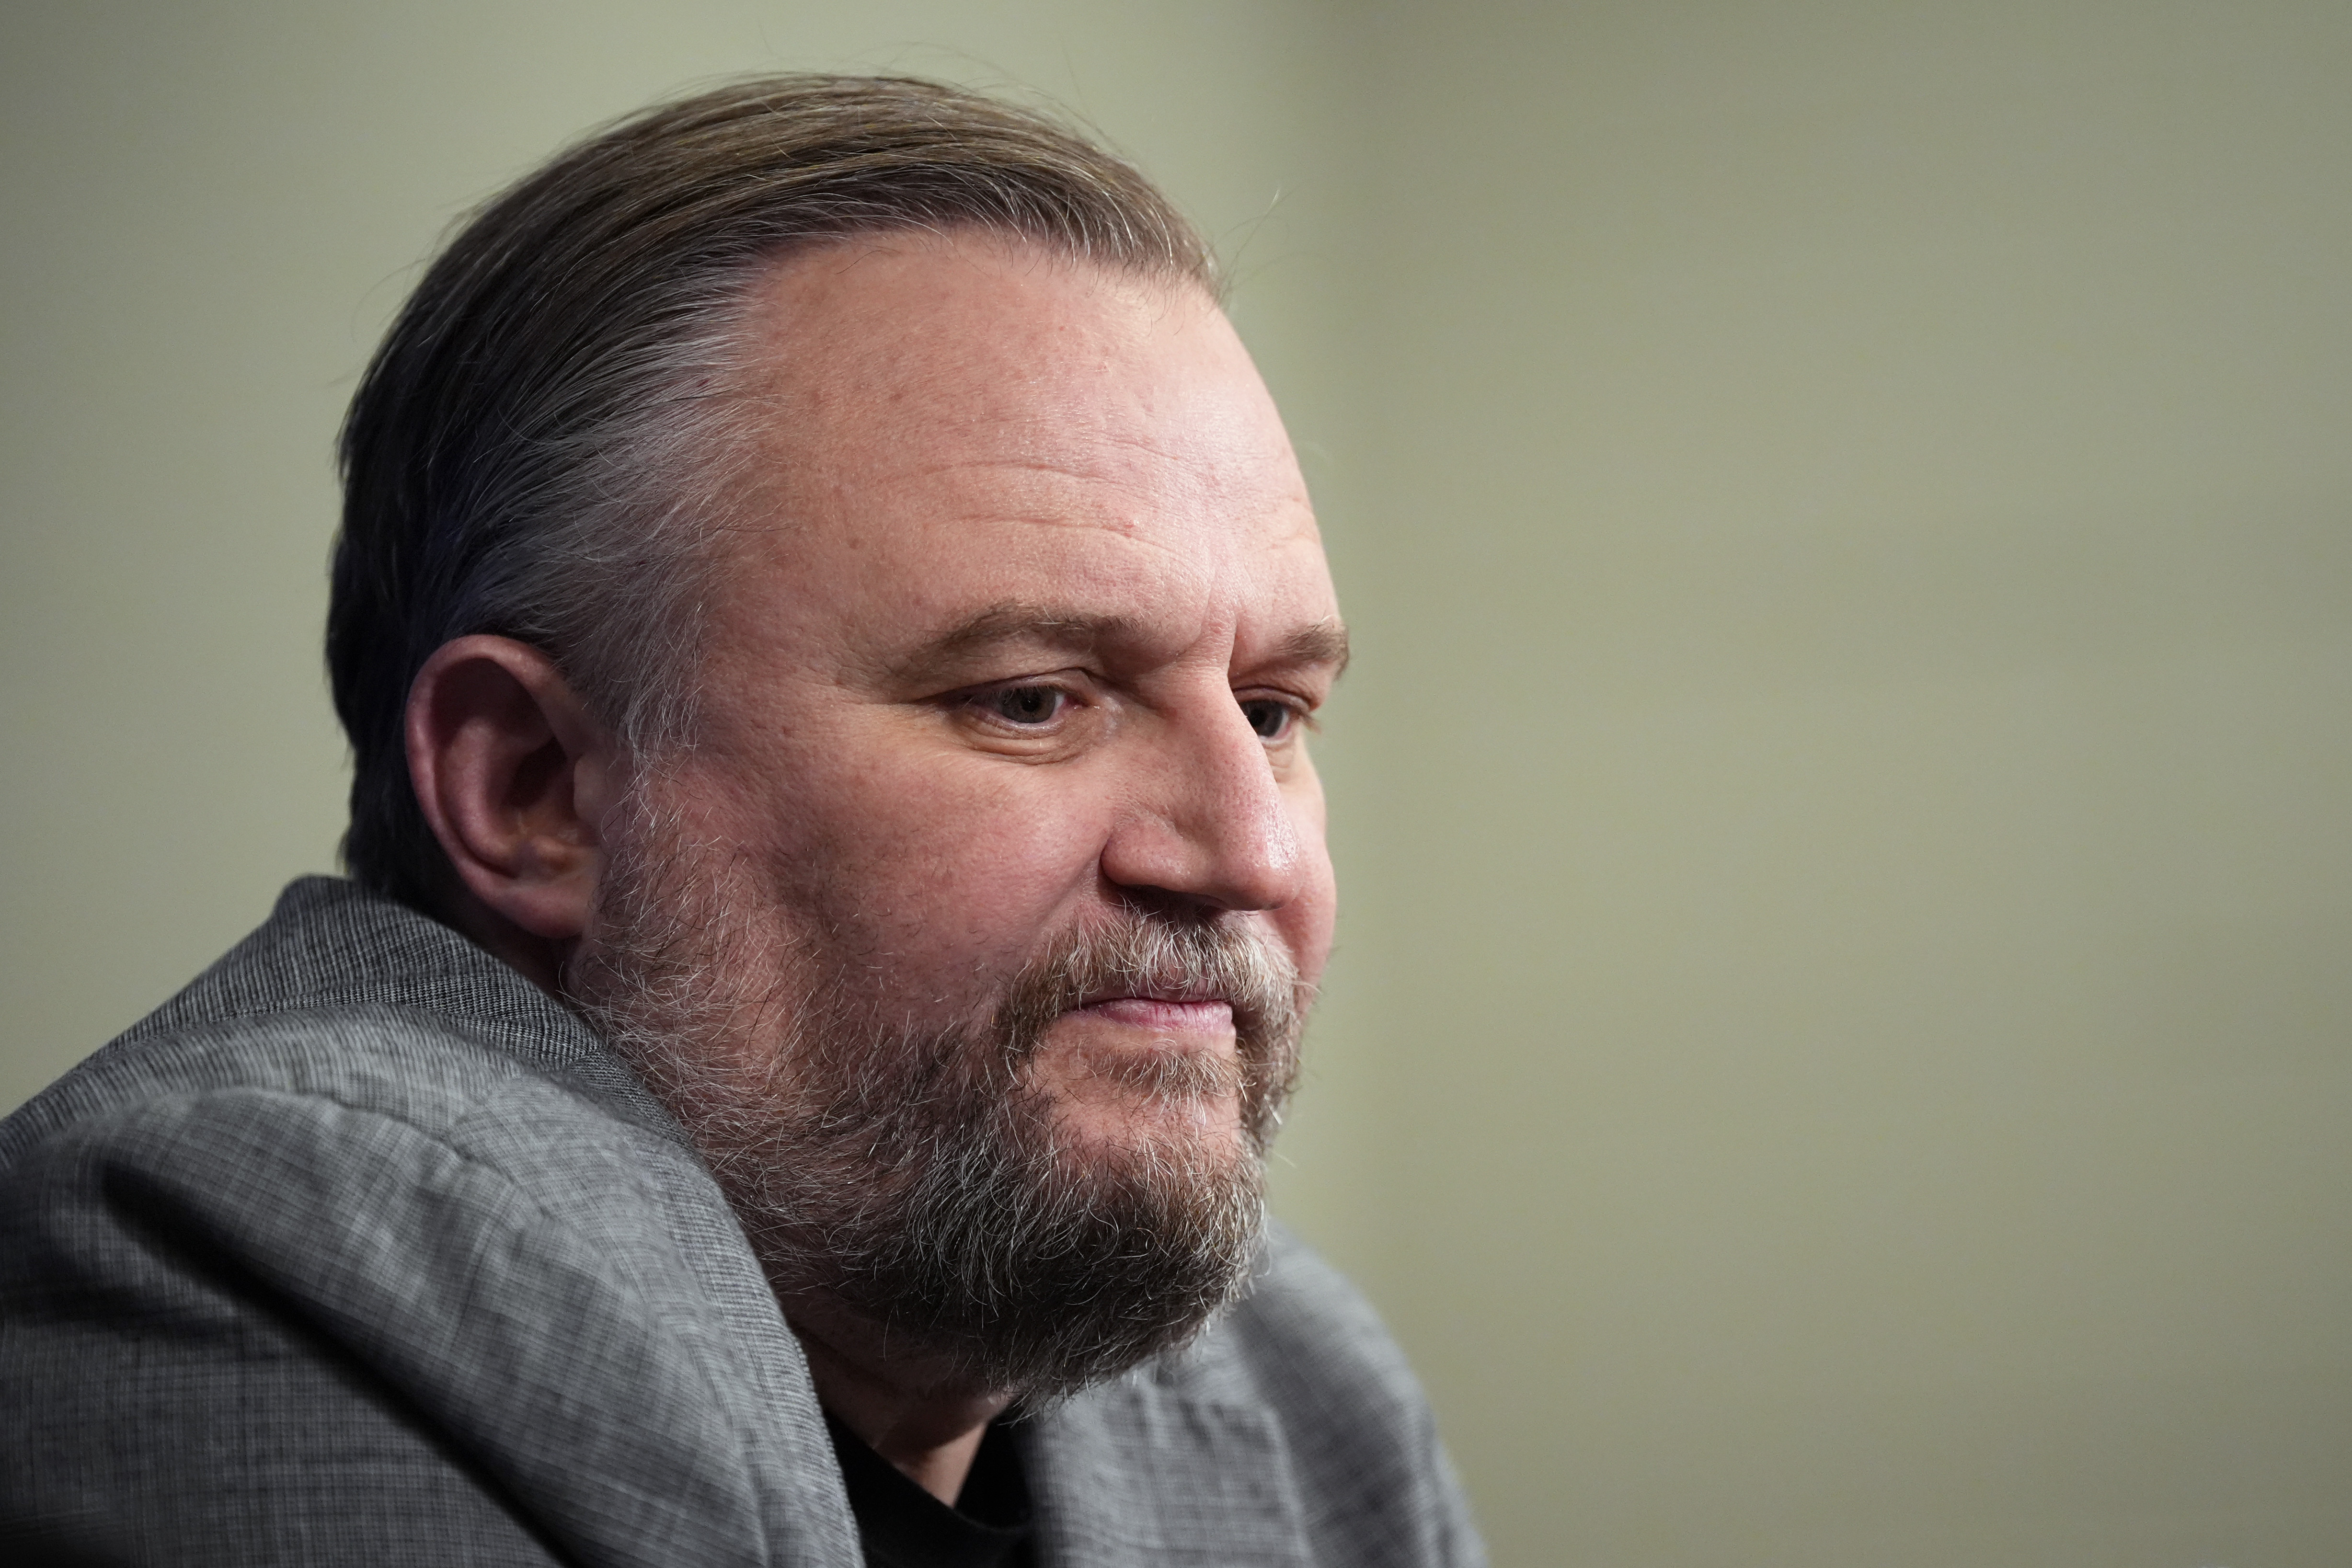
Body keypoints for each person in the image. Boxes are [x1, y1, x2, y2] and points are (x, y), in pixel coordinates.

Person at [0, 75, 1482, 1567]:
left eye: (1276, 711)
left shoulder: (1301, 1392)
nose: (1252, 856)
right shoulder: (250, 1253)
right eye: (1032, 699)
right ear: (537, 790)